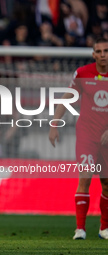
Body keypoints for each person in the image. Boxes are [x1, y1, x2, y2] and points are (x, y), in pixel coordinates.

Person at [49, 37, 108, 240]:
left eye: (106, 51)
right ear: (93, 54)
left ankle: (104, 228)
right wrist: (54, 124)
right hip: (87, 136)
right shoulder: (83, 73)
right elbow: (67, 99)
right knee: (85, 178)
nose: (103, 55)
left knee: (107, 183)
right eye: (99, 51)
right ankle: (80, 229)